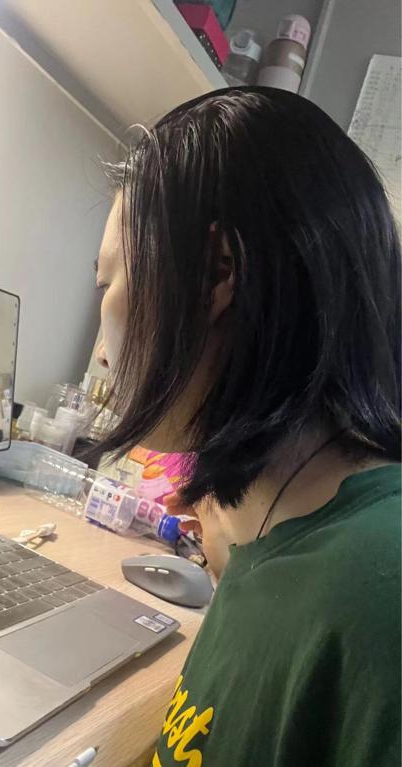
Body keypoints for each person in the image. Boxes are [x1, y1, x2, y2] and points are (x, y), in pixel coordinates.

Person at [93, 87, 401, 766]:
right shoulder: (268, 535)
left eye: (107, 283)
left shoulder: (385, 592)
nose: (102, 351)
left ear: (216, 274)